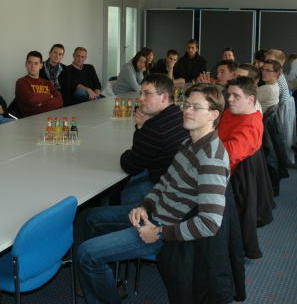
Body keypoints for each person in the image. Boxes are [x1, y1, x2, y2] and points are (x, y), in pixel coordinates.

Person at [77, 84, 228, 304]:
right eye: (186, 105)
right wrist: (145, 206)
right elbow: (165, 181)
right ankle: (104, 281)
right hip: (154, 214)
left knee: (86, 253)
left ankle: (100, 285)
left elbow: (210, 223)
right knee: (90, 218)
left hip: (164, 231)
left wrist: (158, 233)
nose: (187, 111)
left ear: (213, 115)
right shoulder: (189, 142)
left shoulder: (211, 159)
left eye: (196, 107)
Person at [118, 74, 188, 205]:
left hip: (162, 188)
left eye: (147, 94)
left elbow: (130, 165)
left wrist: (141, 128)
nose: (140, 98)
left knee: (94, 213)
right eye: (141, 93)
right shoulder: (180, 114)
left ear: (164, 97)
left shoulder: (154, 129)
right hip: (180, 180)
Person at [217, 77, 263, 174]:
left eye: (236, 96)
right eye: (229, 94)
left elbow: (228, 154)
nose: (229, 99)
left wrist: (203, 145)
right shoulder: (231, 111)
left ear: (250, 100)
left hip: (221, 170)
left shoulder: (251, 126)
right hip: (215, 154)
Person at [14, 51, 63, 117]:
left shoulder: (47, 83)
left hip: (49, 117)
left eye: (36, 63)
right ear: (26, 64)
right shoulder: (21, 82)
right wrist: (50, 96)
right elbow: (31, 99)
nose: (32, 66)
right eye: (30, 63)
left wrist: (41, 103)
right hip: (31, 120)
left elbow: (60, 101)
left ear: (41, 65)